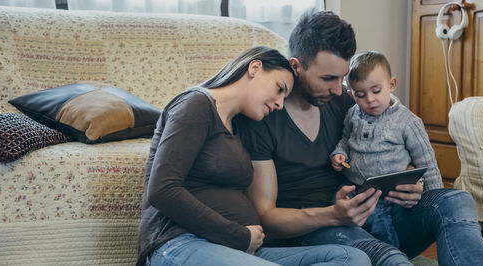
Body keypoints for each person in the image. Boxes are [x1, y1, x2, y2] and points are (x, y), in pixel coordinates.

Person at [238, 10, 483, 266]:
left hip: (376, 214)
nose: (340, 90)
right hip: (316, 230)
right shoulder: (264, 116)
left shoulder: (344, 103)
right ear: (296, 66)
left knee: (456, 201)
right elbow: (265, 216)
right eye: (328, 78)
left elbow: (389, 133)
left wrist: (415, 186)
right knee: (387, 257)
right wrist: (332, 215)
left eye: (343, 78)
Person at [137, 46, 371, 266]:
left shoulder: (237, 125)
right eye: (279, 89)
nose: (280, 103)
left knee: (351, 258)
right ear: (255, 68)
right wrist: (238, 235)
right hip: (181, 243)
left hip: (237, 249)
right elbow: (162, 190)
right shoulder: (195, 104)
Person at [329, 50, 444, 247]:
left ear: (391, 85)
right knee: (335, 207)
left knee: (380, 225)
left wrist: (434, 197)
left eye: (376, 91)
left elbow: (426, 161)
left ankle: (391, 255)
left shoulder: (407, 122)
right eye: (361, 95)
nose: (370, 100)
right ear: (351, 94)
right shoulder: (352, 115)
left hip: (387, 192)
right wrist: (339, 153)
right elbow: (345, 139)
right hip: (355, 186)